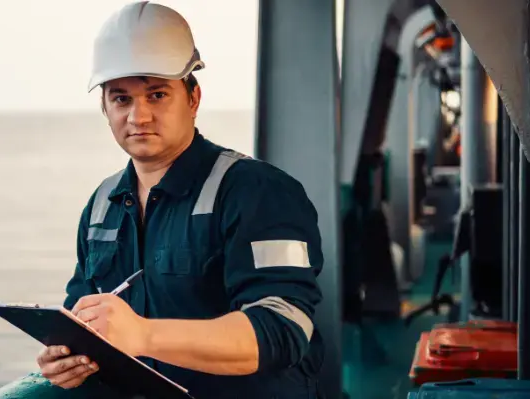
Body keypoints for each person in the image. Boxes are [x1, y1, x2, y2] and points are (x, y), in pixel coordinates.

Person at [35, 2, 325, 398]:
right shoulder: (102, 205)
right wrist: (65, 355)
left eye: (157, 95)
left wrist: (143, 335)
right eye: (121, 99)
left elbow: (283, 328)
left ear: (193, 98)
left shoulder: (258, 191)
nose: (138, 117)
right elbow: (81, 317)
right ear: (104, 107)